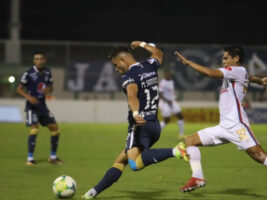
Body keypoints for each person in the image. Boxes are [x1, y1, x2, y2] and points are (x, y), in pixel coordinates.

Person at [174, 46, 267, 200]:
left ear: (236, 59)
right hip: (223, 127)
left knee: (259, 155)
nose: (223, 61)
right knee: (189, 141)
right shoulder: (240, 72)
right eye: (223, 58)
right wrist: (260, 80)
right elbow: (249, 76)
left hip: (237, 125)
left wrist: (188, 63)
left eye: (226, 58)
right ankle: (197, 177)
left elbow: (210, 73)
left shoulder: (236, 70)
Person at [82, 41, 188, 199]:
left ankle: (175, 151)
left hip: (140, 126)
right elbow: (158, 53)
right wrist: (142, 44)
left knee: (134, 164)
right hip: (154, 125)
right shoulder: (149, 65)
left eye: (116, 65)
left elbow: (132, 95)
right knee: (120, 161)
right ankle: (93, 193)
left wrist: (136, 113)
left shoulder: (128, 76)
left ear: (123, 60)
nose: (117, 70)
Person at [16, 52, 63, 166]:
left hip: (42, 106)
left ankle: (52, 157)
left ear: (45, 60)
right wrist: (29, 97)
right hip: (32, 107)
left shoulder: (47, 72)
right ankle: (30, 158)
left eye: (41, 58)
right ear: (34, 61)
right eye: (36, 59)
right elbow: (19, 89)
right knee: (34, 130)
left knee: (56, 130)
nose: (39, 61)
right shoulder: (29, 73)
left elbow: (51, 86)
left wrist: (47, 89)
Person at [159, 69, 185, 138]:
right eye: (167, 74)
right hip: (166, 103)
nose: (169, 75)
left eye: (169, 74)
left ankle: (181, 134)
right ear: (164, 75)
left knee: (180, 116)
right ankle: (156, 131)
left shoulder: (171, 81)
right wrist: (167, 101)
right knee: (166, 120)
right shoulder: (163, 83)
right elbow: (160, 94)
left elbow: (171, 92)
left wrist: (175, 97)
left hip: (172, 101)